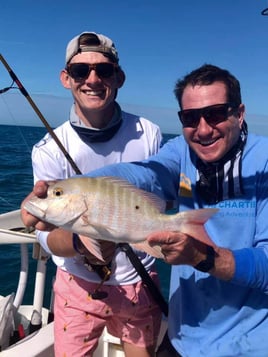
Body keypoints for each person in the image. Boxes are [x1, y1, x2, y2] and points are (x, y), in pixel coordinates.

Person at [22, 63, 268, 357]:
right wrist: (82, 188)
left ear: (239, 114)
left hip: (250, 346)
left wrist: (203, 257)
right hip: (183, 338)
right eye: (190, 118)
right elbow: (146, 173)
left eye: (215, 114)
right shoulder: (182, 152)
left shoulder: (263, 162)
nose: (203, 129)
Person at [29, 31, 163, 357]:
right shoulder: (47, 149)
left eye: (103, 70)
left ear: (119, 77)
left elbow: (158, 205)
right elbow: (45, 235)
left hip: (139, 280)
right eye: (80, 71)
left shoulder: (150, 134)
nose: (92, 79)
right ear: (65, 78)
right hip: (76, 286)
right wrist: (80, 241)